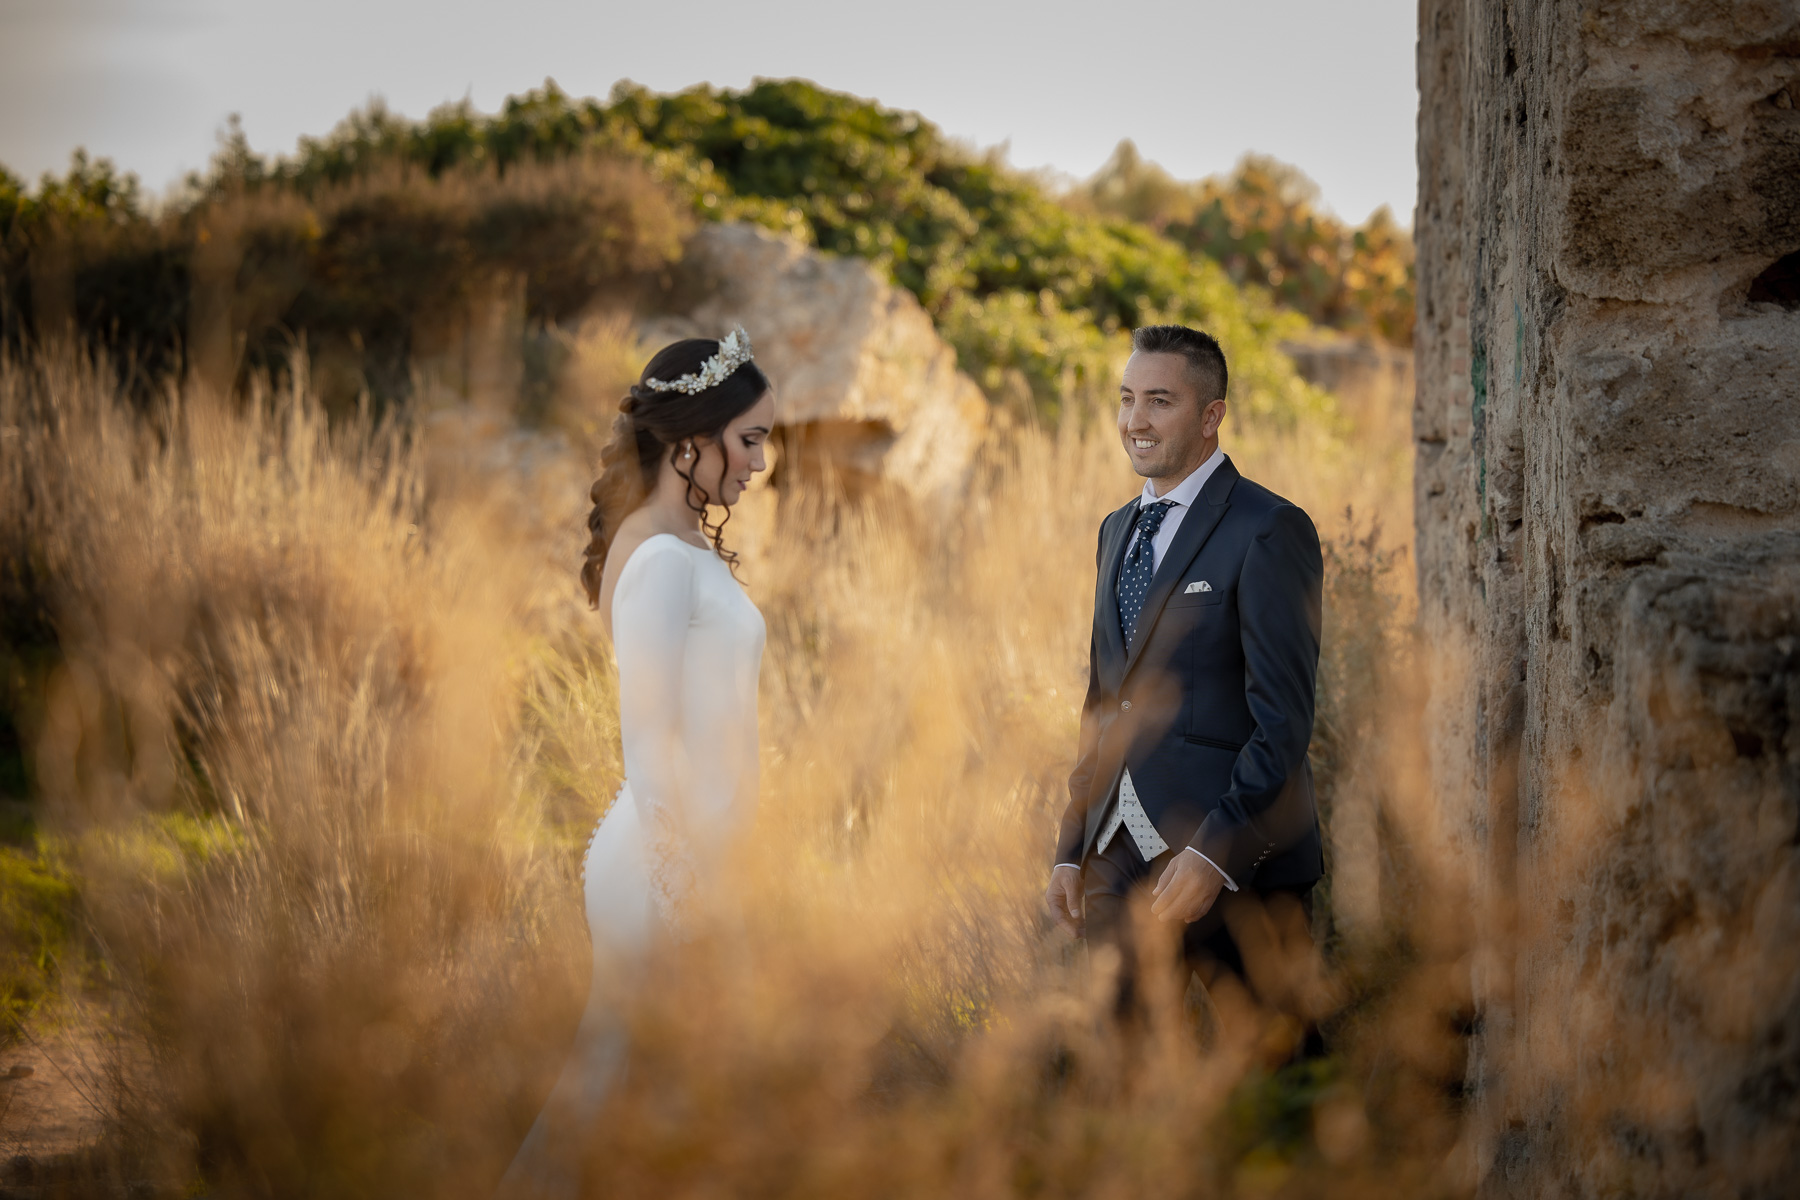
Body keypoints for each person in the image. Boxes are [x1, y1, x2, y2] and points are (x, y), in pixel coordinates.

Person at [497, 331, 774, 1199]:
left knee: (656, 1092)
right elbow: (649, 745)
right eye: (749, 439)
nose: (760, 462)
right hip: (663, 865)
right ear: (691, 440)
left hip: (702, 859)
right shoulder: (657, 558)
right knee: (613, 1078)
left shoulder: (686, 546)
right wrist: (687, 897)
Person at [1043, 324, 1324, 1034]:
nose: (1135, 420)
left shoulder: (1269, 528)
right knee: (1124, 1070)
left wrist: (1213, 854)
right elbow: (1104, 702)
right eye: (1127, 399)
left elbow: (1284, 722)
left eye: (1159, 401)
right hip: (1116, 857)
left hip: (1237, 871)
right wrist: (1073, 849)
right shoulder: (1115, 530)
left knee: (1280, 1070)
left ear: (1210, 415)